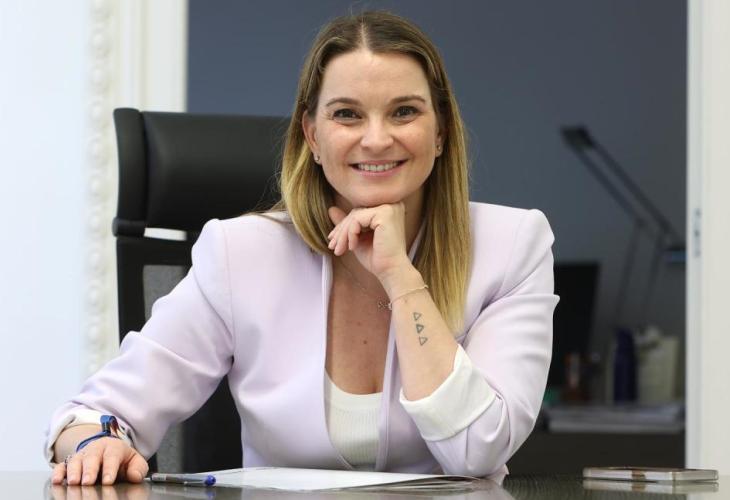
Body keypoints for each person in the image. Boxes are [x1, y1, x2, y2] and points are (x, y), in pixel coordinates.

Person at [47, 10, 558, 485]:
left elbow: (477, 451)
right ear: (312, 135)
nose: (377, 139)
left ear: (441, 130)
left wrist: (400, 277)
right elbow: (90, 416)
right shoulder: (241, 254)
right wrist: (95, 443)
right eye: (347, 114)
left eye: (404, 112)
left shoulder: (512, 246)